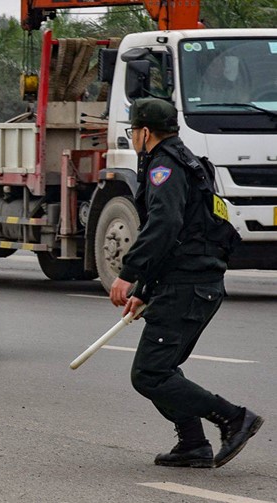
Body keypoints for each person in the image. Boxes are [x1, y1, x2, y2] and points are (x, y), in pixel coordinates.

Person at [110, 98, 262, 468]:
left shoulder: (164, 166)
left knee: (150, 373)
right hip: (191, 283)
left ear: (145, 132)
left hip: (188, 285)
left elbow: (164, 226)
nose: (132, 137)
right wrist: (145, 292)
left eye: (133, 131)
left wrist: (128, 274)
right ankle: (193, 444)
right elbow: (185, 235)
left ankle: (233, 417)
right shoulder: (190, 162)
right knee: (162, 368)